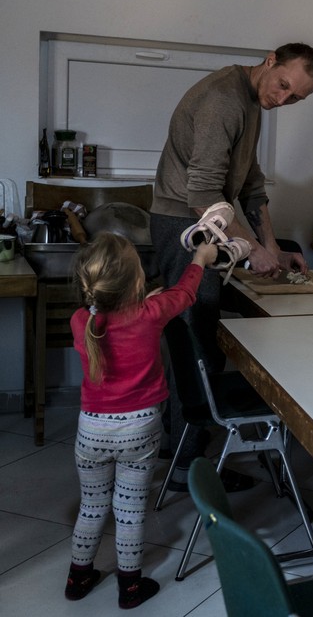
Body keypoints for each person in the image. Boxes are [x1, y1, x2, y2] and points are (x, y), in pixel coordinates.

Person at [149, 42, 313, 490]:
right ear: (270, 61)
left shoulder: (253, 99)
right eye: (284, 85)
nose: (284, 99)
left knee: (204, 336)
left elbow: (250, 184)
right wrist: (250, 248)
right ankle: (188, 466)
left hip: (210, 224)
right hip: (185, 224)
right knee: (195, 342)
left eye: (296, 98)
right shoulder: (224, 101)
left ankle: (185, 449)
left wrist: (272, 247)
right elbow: (204, 192)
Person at [65, 233, 218, 608]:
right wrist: (200, 257)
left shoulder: (81, 320)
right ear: (136, 279)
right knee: (130, 510)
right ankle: (130, 587)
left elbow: (115, 321)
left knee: (92, 505)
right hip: (139, 429)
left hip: (92, 431)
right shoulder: (151, 314)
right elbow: (184, 293)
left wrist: (141, 304)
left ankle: (78, 577)